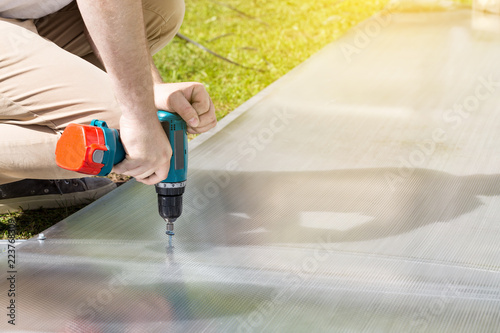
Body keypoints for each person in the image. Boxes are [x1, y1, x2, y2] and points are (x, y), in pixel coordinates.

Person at [0, 0, 217, 214]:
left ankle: (24, 167)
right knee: (109, 137)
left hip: (14, 20)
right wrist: (140, 118)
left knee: (159, 9)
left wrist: (152, 92)